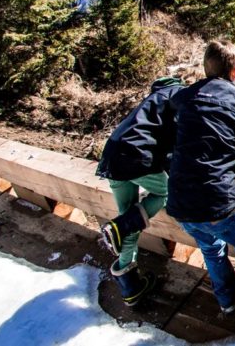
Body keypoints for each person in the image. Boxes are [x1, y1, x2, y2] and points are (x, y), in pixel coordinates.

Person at [166, 40, 235, 324]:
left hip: (179, 200)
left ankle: (227, 301)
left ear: (206, 68)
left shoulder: (181, 99)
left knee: (210, 247)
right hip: (216, 200)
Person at [96, 76, 185, 307]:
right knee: (166, 192)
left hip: (111, 158)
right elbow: (175, 144)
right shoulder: (174, 96)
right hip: (135, 158)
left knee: (130, 218)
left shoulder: (147, 104)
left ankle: (130, 288)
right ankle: (119, 225)